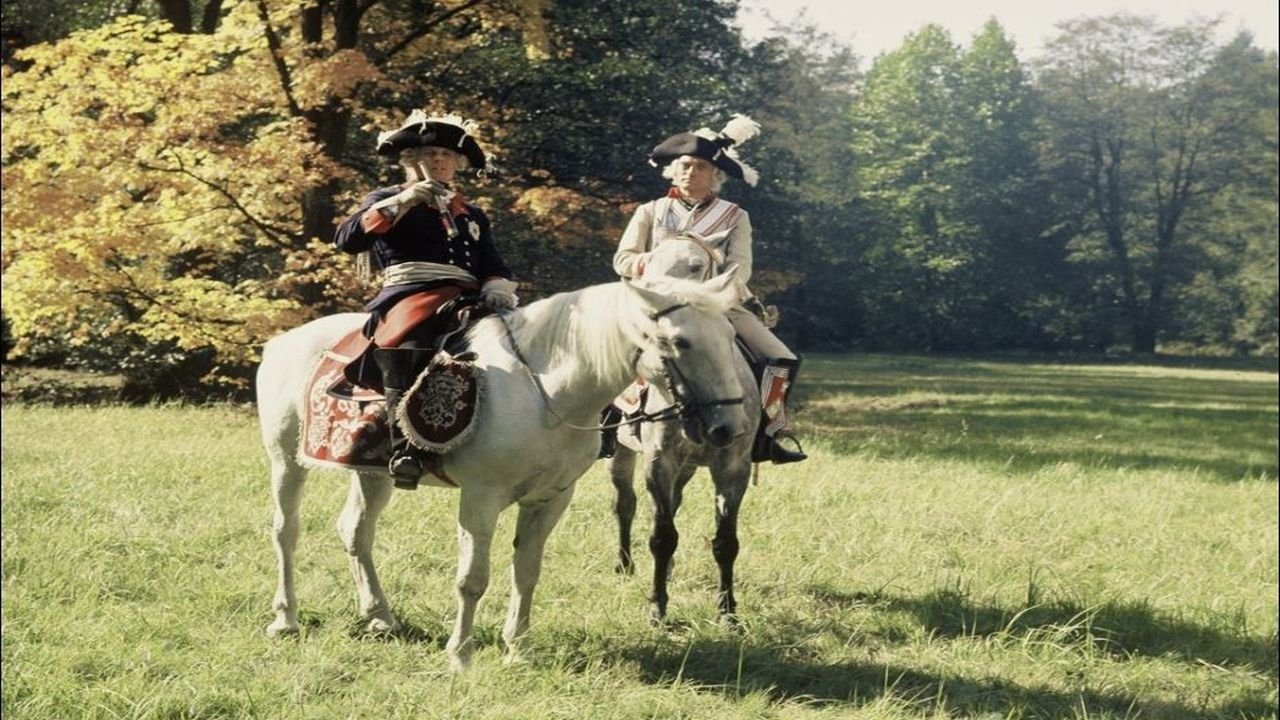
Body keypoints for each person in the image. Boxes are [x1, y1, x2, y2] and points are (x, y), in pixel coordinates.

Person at [334, 110, 519, 488]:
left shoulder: (472, 214)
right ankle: (405, 449)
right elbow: (347, 239)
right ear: (411, 162)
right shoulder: (386, 198)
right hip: (413, 295)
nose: (439, 161)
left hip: (470, 296)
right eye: (430, 155)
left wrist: (497, 287)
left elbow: (492, 263)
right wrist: (402, 201)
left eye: (447, 156)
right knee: (412, 346)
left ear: (458, 164)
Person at [610, 114, 807, 464]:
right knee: (608, 352)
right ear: (673, 170)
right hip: (655, 305)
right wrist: (652, 265)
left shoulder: (734, 216)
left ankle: (769, 433)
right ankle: (611, 427)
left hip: (717, 304)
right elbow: (623, 259)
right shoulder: (650, 211)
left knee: (781, 359)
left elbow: (740, 267)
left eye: (700, 167)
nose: (691, 172)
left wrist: (717, 295)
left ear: (714, 175)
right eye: (685, 165)